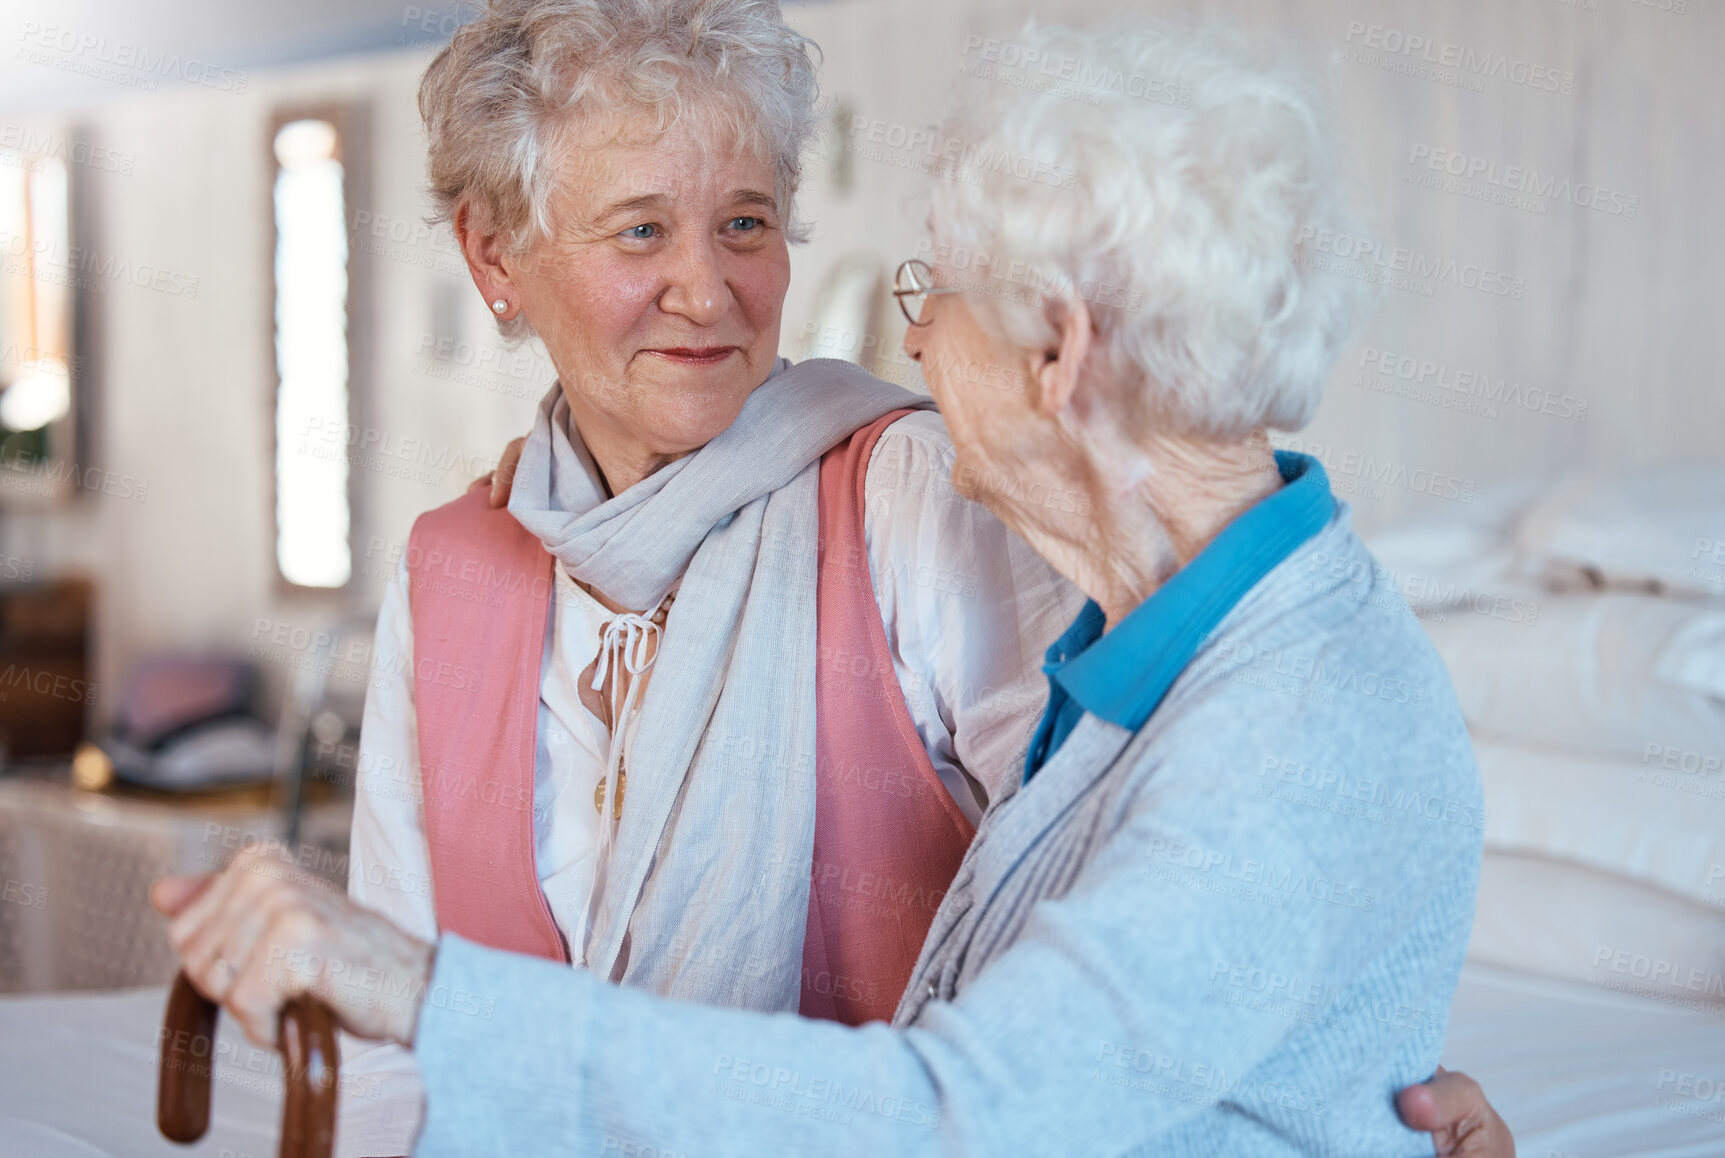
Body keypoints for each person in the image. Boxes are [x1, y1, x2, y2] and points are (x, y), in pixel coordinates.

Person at [153, 6, 1514, 1154]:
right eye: (640, 231)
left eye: (746, 223)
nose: (906, 338)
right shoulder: (1154, 642)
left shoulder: (1213, 670)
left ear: (1060, 355)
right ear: (495, 258)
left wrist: (1347, 1102)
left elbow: (976, 1101)